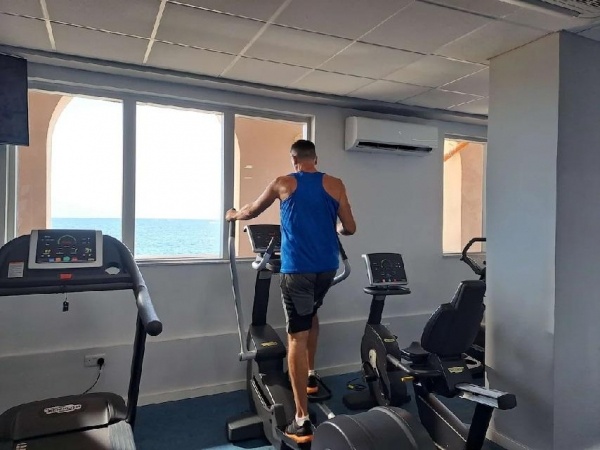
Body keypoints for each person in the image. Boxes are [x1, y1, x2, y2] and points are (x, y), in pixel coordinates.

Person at [225, 139, 356, 443]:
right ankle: (311, 375)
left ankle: (301, 420)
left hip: (297, 270)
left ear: (293, 160)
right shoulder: (335, 184)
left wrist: (232, 215)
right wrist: (336, 228)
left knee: (296, 335)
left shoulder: (283, 183)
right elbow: (349, 227)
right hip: (327, 268)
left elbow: (251, 211)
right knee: (311, 315)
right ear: (315, 159)